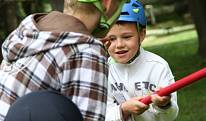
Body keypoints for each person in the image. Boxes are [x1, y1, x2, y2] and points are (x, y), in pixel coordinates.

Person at [0, 0, 128, 120]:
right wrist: (91, 50)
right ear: (108, 3)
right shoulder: (87, 50)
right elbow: (89, 118)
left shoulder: (31, 29)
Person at [105, 0, 179, 121]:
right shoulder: (104, 70)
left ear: (142, 34)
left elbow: (171, 117)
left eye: (127, 37)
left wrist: (164, 105)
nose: (119, 44)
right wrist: (123, 109)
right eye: (111, 39)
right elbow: (101, 115)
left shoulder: (158, 67)